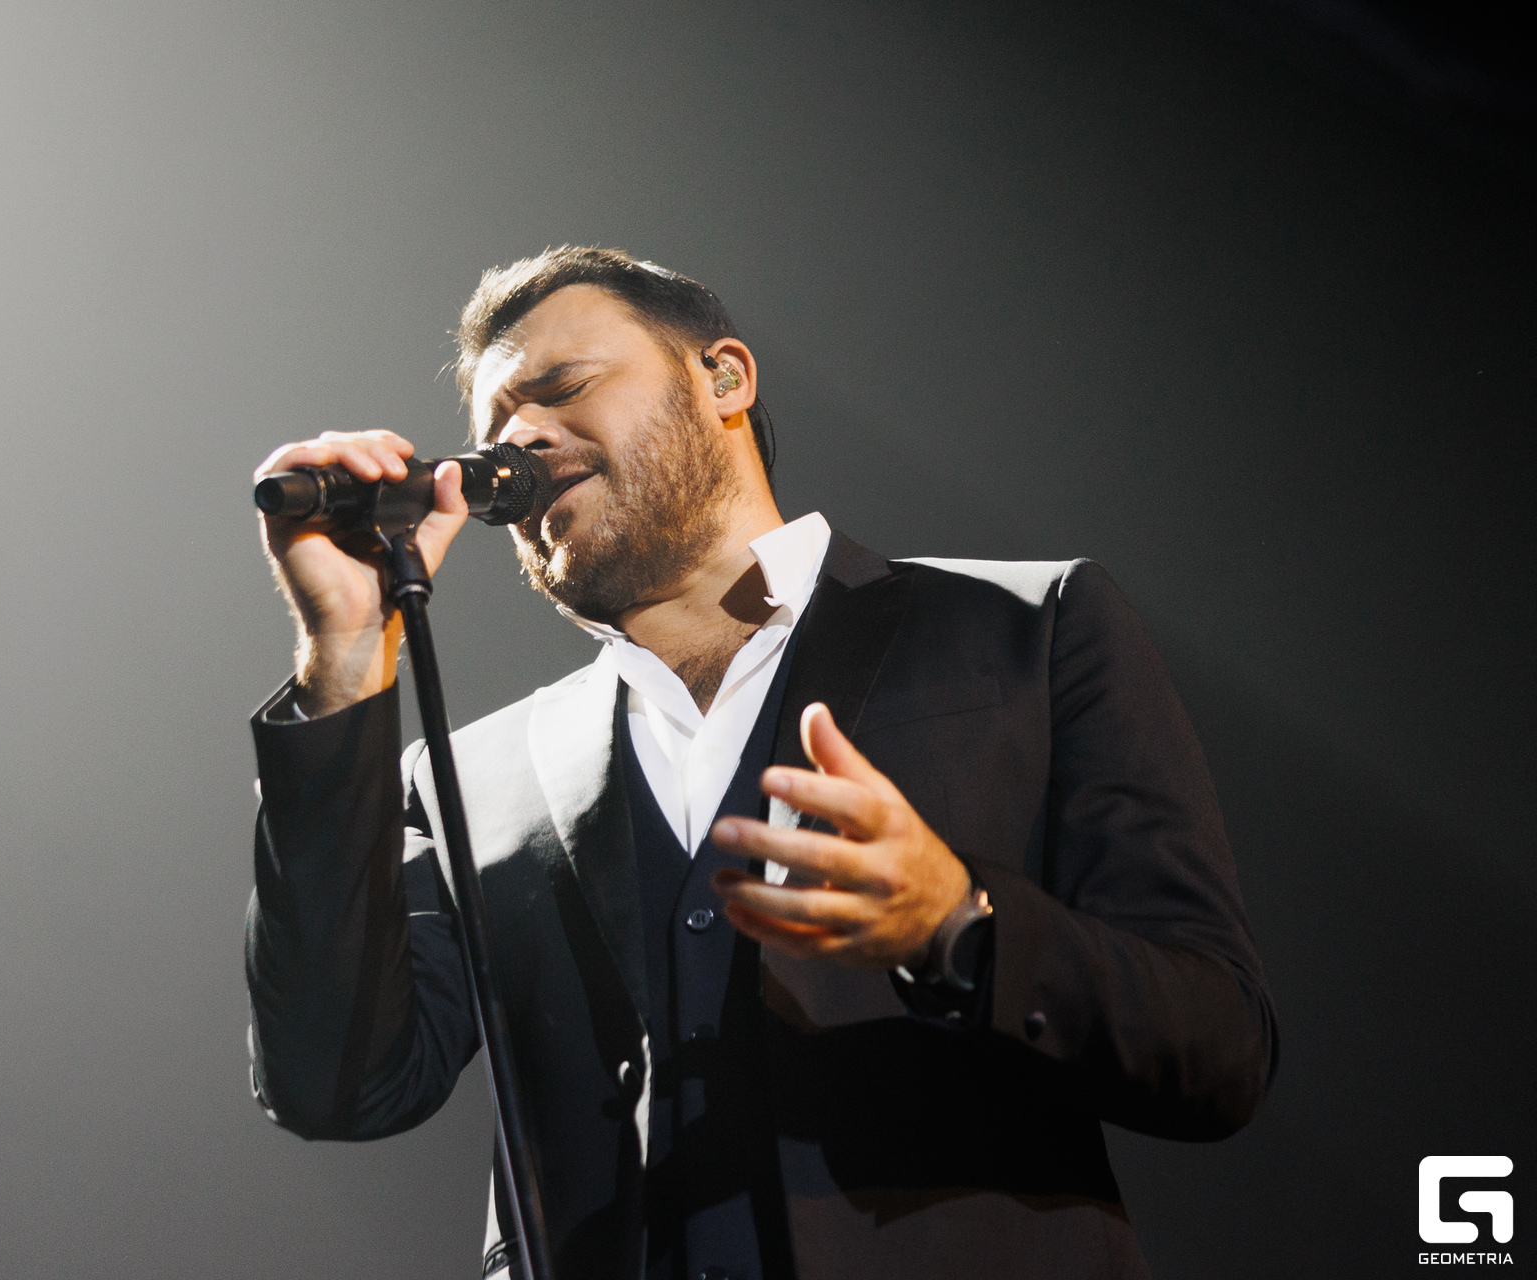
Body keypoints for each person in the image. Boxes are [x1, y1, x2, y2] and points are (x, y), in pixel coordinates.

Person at [245, 246, 1277, 1280]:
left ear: (725, 377)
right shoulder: (469, 775)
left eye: (562, 388)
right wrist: (343, 656)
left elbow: (1219, 1045)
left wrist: (959, 925)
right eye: (497, 429)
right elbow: (336, 1082)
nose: (517, 439)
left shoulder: (1026, 631)